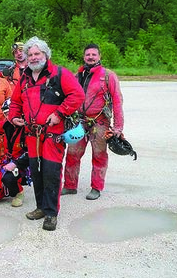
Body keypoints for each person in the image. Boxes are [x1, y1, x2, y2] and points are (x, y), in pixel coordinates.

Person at [8, 36, 84, 231]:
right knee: (37, 173)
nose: (33, 58)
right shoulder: (24, 77)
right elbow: (15, 102)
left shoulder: (59, 74)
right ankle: (40, 207)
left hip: (52, 135)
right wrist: (14, 116)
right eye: (30, 54)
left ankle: (51, 213)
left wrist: (59, 113)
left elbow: (78, 95)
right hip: (32, 135)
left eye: (37, 54)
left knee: (51, 173)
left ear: (45, 54)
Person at [62, 43, 124, 200]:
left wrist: (118, 127)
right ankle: (70, 186)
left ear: (99, 57)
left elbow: (117, 101)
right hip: (80, 122)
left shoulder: (109, 76)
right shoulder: (77, 76)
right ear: (84, 57)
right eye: (87, 54)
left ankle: (96, 187)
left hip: (100, 122)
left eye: (93, 55)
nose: (90, 57)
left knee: (99, 155)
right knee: (72, 154)